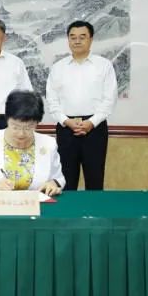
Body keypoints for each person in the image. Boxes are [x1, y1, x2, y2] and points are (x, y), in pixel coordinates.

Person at [45, 20, 117, 190]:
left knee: (95, 178)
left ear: (91, 39)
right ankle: (67, 209)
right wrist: (65, 121)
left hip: (95, 129)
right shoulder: (58, 67)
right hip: (66, 128)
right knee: (65, 180)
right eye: (73, 37)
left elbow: (109, 99)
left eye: (82, 37)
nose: (77, 41)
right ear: (68, 40)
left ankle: (95, 209)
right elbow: (52, 100)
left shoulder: (104, 66)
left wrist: (91, 122)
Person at [0, 90, 64, 195]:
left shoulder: (48, 144)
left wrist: (53, 183)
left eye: (28, 128)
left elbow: (59, 178)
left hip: (35, 203)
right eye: (15, 127)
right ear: (7, 119)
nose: (21, 134)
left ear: (37, 122)